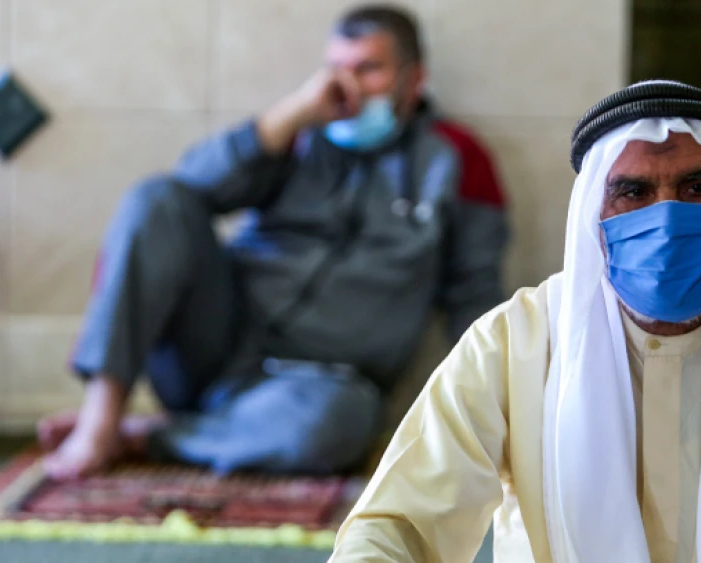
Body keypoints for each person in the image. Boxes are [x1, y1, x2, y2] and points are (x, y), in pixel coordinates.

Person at [329, 81, 701, 562]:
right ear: (594, 215)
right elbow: (399, 525)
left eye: (697, 187)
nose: (667, 219)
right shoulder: (515, 343)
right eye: (634, 192)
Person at [38, 4, 508, 480]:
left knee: (337, 427)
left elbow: (475, 295)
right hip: (213, 348)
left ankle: (152, 436)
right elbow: (184, 190)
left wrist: (489, 414)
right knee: (155, 197)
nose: (349, 86)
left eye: (369, 69)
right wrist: (289, 118)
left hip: (319, 388)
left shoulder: (459, 158)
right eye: (337, 68)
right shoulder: (296, 134)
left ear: (415, 78)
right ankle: (100, 418)